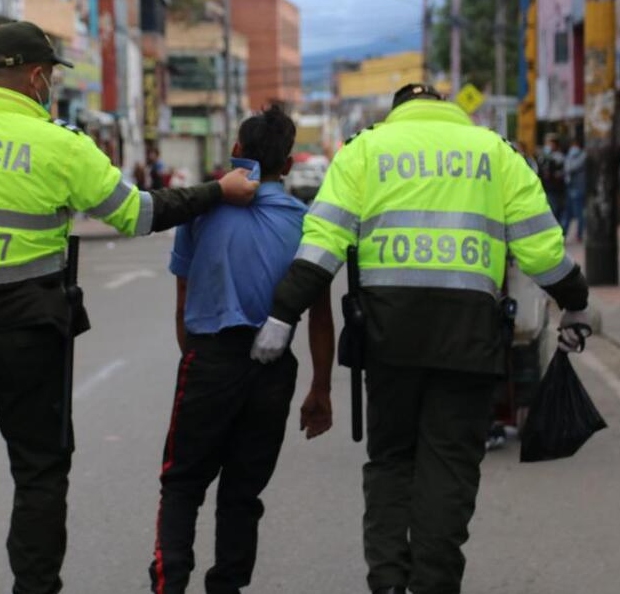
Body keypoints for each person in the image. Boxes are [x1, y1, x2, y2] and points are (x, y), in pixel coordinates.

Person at [0, 20, 257, 594]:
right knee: (39, 468)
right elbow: (138, 214)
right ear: (38, 76)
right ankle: (34, 586)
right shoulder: (61, 145)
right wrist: (218, 191)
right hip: (29, 334)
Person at [249, 83, 591, 594]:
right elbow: (541, 251)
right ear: (449, 111)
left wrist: (282, 314)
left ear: (398, 114)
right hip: (469, 340)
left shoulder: (364, 150)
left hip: (389, 339)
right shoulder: (495, 153)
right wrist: (577, 299)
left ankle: (388, 582)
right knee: (450, 467)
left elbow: (323, 245)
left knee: (390, 460)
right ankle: (434, 584)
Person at [148, 105, 335, 594]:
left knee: (183, 482)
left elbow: (183, 298)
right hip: (273, 372)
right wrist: (320, 388)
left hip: (210, 359)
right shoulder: (307, 222)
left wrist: (196, 358)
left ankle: (169, 582)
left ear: (236, 152)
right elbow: (319, 314)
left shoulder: (202, 210)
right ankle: (225, 586)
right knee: (242, 492)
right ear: (289, 166)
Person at [562, 136, 587, 242]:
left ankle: (579, 234)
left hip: (578, 188)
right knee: (567, 213)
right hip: (570, 187)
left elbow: (571, 167)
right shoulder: (570, 155)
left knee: (579, 213)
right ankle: (563, 234)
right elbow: (566, 167)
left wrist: (570, 159)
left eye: (574, 145)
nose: (573, 148)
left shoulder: (583, 156)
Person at [538, 133, 566, 221]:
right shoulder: (543, 157)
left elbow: (561, 172)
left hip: (555, 188)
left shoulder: (559, 156)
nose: (548, 146)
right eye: (547, 143)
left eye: (550, 143)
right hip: (546, 187)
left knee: (555, 210)